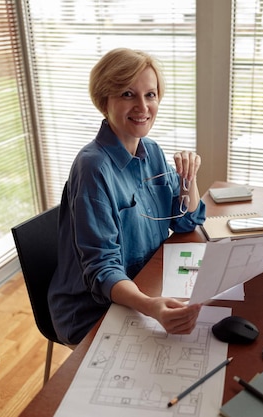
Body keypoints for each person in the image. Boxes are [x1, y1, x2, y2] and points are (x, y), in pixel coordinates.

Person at [48, 48, 206, 346]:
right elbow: (102, 270)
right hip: (94, 309)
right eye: (127, 94)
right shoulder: (93, 167)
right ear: (104, 101)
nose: (143, 106)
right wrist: (151, 306)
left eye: (151, 95)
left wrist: (189, 181)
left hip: (146, 283)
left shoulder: (152, 151)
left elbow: (186, 222)